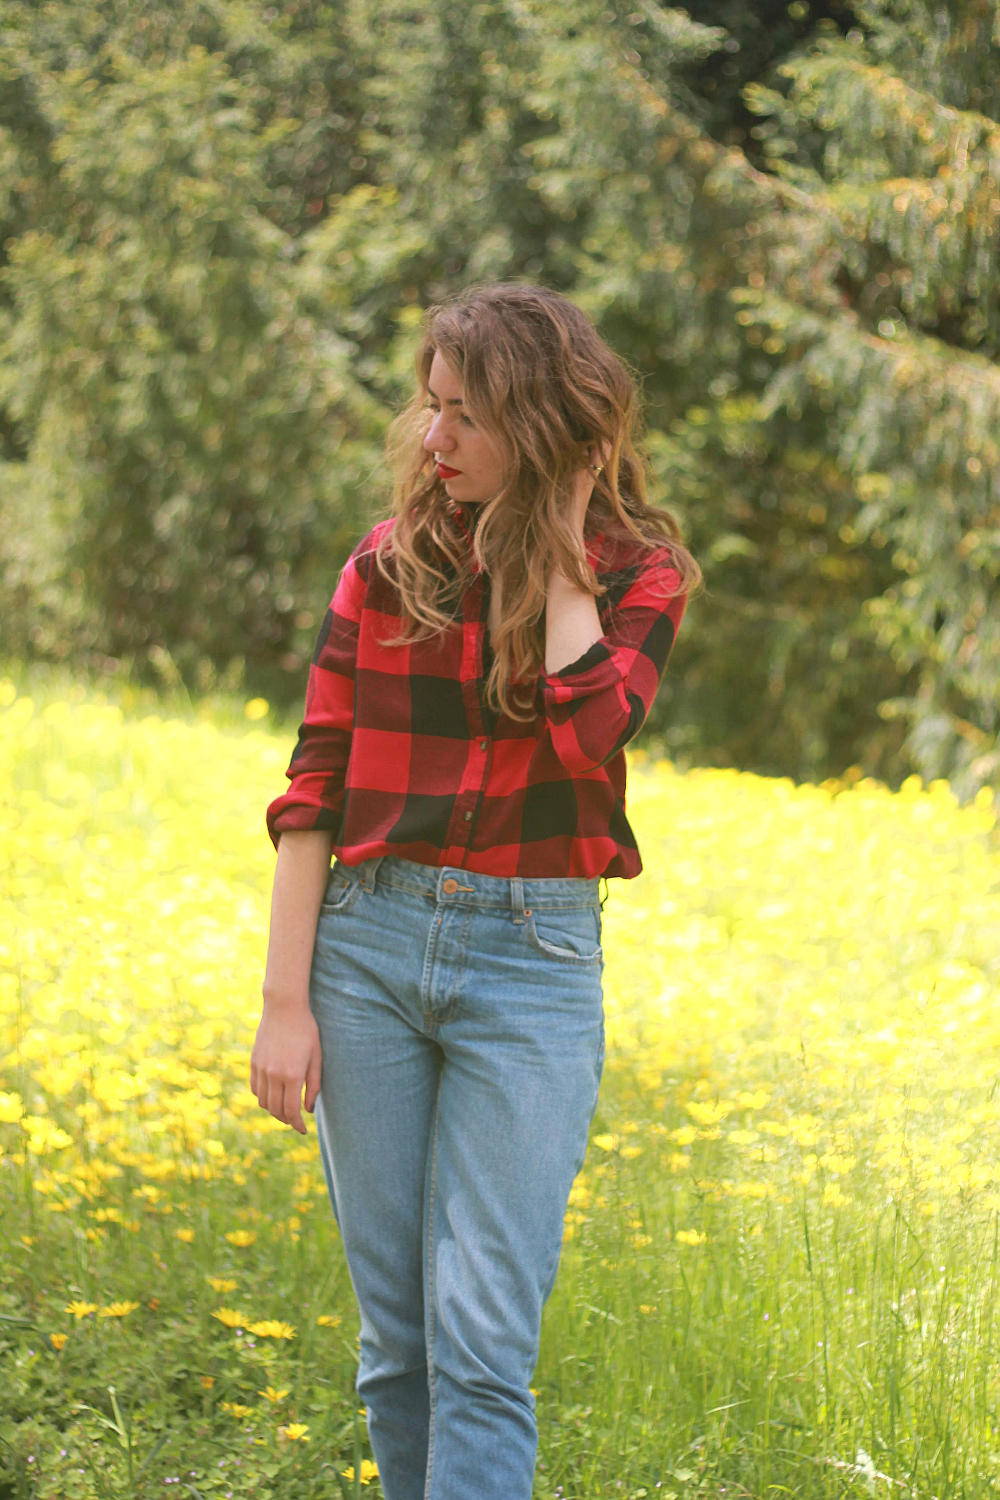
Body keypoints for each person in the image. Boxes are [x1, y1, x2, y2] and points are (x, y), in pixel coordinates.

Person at [250, 282, 700, 1500]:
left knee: (483, 1344)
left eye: (467, 415)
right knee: (399, 1345)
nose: (432, 437)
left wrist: (557, 542)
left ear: (545, 427)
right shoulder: (386, 565)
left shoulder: (639, 574)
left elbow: (590, 731)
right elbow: (315, 784)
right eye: (430, 406)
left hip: (530, 966)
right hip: (366, 953)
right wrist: (283, 1002)